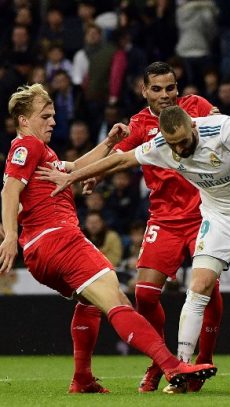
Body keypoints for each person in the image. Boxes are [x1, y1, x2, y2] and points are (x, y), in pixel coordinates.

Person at [37, 106, 230, 393]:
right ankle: (182, 368)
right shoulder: (163, 146)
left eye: (184, 141)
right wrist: (72, 178)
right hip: (219, 215)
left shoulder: (224, 129)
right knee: (199, 285)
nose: (179, 149)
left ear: (194, 128)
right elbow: (122, 159)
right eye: (173, 143)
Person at [0, 83, 216, 394]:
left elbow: (75, 168)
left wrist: (110, 142)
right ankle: (171, 366)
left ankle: (82, 378)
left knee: (89, 302)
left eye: (53, 115)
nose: (53, 122)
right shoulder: (27, 147)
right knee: (117, 300)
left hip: (39, 254)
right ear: (24, 120)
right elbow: (9, 190)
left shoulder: (41, 151)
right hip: (59, 238)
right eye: (45, 116)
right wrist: (9, 235)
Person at [103, 61, 225, 394]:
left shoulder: (195, 106)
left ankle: (204, 359)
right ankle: (161, 361)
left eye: (170, 87)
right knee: (143, 294)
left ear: (177, 86)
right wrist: (89, 174)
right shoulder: (139, 124)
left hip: (204, 214)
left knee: (206, 288)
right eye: (156, 89)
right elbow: (116, 157)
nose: (165, 95)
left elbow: (224, 131)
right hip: (163, 219)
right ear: (144, 91)